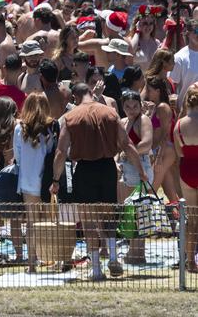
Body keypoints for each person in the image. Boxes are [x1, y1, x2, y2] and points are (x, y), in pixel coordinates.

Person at [50, 83, 148, 280]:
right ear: (90, 93)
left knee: (88, 221)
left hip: (85, 170)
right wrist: (141, 170)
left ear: (75, 98)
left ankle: (96, 269)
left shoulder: (71, 117)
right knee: (109, 217)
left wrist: (55, 180)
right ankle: (113, 257)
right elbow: (127, 145)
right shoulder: (110, 113)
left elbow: (61, 153)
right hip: (107, 169)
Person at [13, 92, 56, 272]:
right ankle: (50, 258)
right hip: (46, 180)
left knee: (31, 222)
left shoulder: (19, 128)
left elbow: (17, 156)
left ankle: (32, 263)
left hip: (28, 181)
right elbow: (51, 152)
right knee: (47, 221)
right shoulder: (50, 127)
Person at [118, 90, 154, 264]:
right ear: (122, 106)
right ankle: (135, 250)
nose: (131, 110)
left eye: (135, 106)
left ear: (140, 106)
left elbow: (147, 143)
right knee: (131, 212)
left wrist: (127, 154)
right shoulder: (123, 121)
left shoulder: (143, 120)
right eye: (127, 106)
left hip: (140, 168)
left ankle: (138, 253)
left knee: (138, 211)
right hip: (127, 169)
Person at [172, 84, 198, 272]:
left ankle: (190, 261)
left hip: (187, 170)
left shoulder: (179, 124)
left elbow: (179, 153)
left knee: (191, 219)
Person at [170, 18, 198, 110]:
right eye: (196, 31)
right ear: (188, 33)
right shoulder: (179, 57)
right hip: (187, 111)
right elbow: (172, 86)